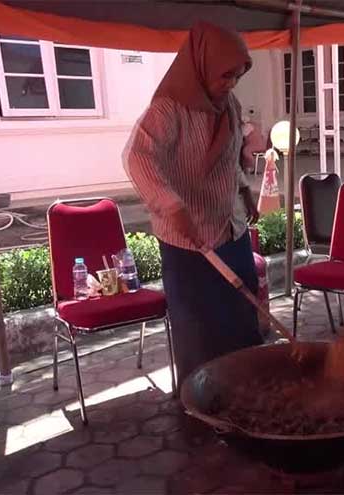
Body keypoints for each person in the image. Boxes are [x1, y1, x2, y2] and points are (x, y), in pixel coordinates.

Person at [123, 22, 262, 396]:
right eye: (224, 75)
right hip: (188, 242)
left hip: (230, 231)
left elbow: (230, 157)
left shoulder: (227, 106)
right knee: (201, 328)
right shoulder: (167, 110)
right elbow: (137, 158)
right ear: (200, 65)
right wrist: (172, 206)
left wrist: (246, 193)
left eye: (237, 75)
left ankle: (245, 394)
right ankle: (201, 405)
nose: (231, 83)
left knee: (241, 315)